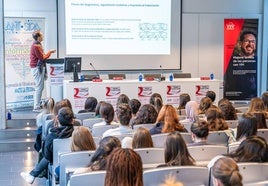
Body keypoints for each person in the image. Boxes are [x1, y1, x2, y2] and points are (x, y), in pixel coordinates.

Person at [20, 107, 75, 184]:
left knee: (46, 156)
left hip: (57, 164)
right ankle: (32, 174)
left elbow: (47, 156)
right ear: (73, 119)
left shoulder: (52, 135)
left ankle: (33, 174)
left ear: (58, 118)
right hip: (77, 163)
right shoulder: (80, 132)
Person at [30, 30, 56, 112]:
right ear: (38, 37)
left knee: (40, 87)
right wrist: (50, 52)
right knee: (39, 87)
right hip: (37, 68)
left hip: (38, 67)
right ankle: (36, 106)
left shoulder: (37, 44)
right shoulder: (36, 46)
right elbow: (43, 57)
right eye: (41, 35)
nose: (43, 37)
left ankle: (37, 105)